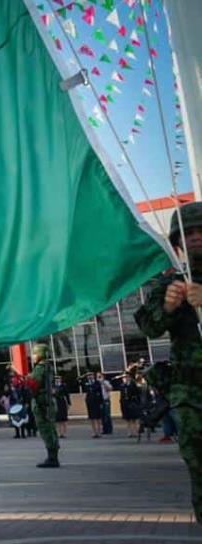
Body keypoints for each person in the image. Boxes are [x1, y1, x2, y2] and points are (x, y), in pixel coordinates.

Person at [135, 201, 202, 523]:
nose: (197, 238)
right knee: (198, 465)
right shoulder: (169, 283)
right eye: (188, 233)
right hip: (191, 393)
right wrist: (169, 307)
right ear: (177, 241)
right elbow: (149, 328)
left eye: (201, 231)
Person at [29, 343, 60, 468]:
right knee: (51, 429)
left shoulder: (40, 368)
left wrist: (26, 381)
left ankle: (52, 458)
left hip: (42, 403)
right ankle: (53, 456)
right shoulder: (48, 367)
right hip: (48, 403)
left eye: (35, 353)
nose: (33, 356)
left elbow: (34, 385)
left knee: (46, 430)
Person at [119, 372, 141, 438]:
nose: (125, 379)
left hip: (132, 402)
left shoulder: (133, 384)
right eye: (123, 378)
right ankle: (129, 432)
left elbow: (137, 393)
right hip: (125, 403)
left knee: (134, 419)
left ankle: (135, 432)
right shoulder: (122, 385)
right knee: (127, 419)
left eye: (126, 377)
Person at [83, 372, 104, 438]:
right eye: (88, 375)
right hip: (90, 402)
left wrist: (101, 402)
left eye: (91, 375)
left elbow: (100, 393)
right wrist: (83, 376)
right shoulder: (86, 383)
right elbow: (78, 382)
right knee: (92, 418)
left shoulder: (97, 382)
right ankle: (94, 432)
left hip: (97, 402)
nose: (90, 376)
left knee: (98, 418)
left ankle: (99, 431)